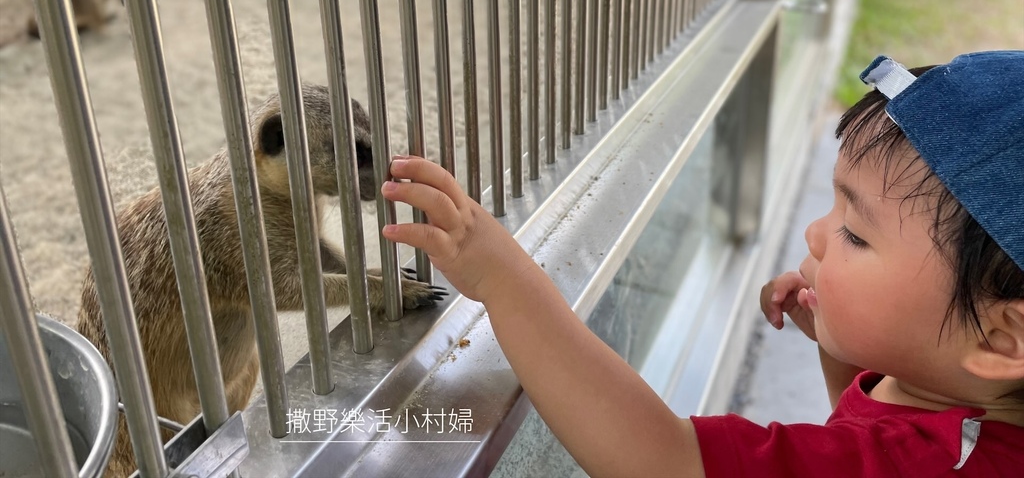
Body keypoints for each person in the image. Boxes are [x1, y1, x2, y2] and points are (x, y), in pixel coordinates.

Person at [381, 50, 1024, 477]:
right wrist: (840, 346)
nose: (815, 233)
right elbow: (865, 431)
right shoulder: (959, 402)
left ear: (1001, 338)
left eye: (855, 234)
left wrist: (503, 278)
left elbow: (663, 459)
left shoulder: (936, 466)